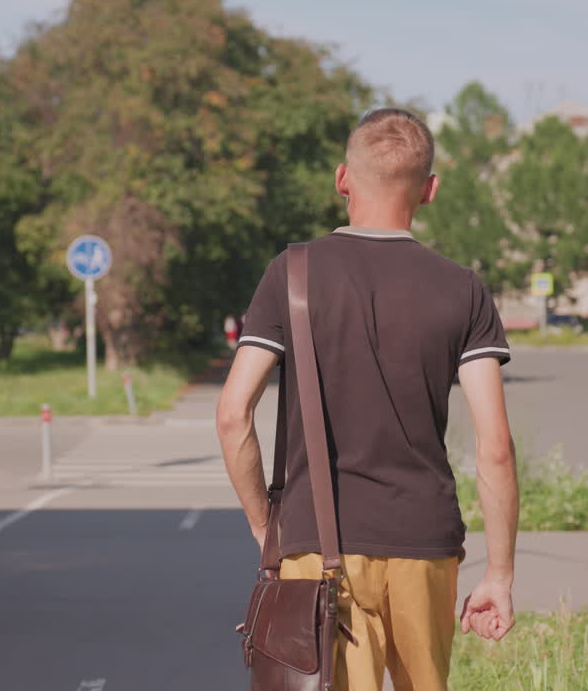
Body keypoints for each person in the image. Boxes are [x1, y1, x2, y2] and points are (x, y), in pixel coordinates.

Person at [216, 108, 519, 691]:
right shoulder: (463, 289)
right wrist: (499, 575)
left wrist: (265, 526)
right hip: (425, 542)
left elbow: (233, 416)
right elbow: (496, 448)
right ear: (430, 190)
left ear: (342, 179)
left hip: (319, 550)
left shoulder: (290, 273)